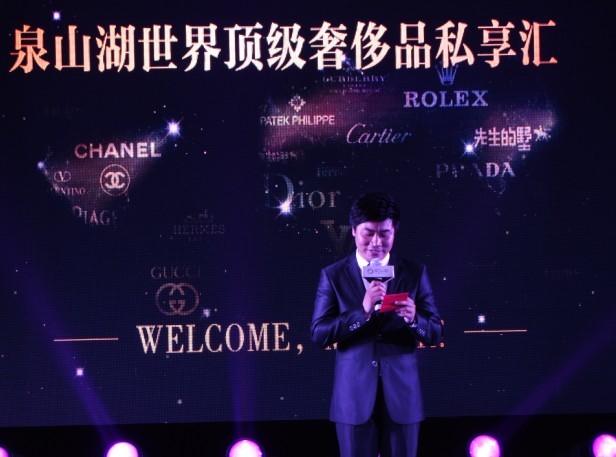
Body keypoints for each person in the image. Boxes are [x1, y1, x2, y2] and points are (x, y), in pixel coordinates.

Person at [311, 192, 444, 457]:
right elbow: (319, 333)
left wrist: (413, 319)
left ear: (394, 232)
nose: (376, 242)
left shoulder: (414, 272)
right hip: (353, 399)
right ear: (353, 231)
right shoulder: (334, 275)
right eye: (368, 233)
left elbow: (435, 332)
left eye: (384, 234)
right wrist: (361, 312)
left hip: (403, 398)